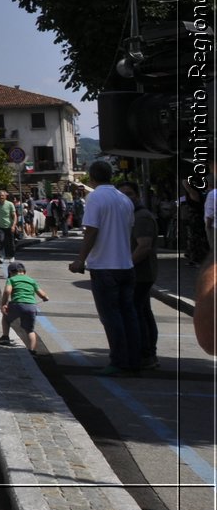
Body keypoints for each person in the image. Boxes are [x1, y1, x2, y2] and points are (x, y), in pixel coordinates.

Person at [68, 160, 140, 376]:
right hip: (126, 265)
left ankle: (118, 361)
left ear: (92, 177)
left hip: (105, 266)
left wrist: (80, 260)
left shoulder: (95, 197)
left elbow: (91, 231)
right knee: (129, 314)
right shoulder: (124, 199)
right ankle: (134, 360)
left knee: (111, 316)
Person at [123, 180, 160, 370]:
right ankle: (148, 354)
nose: (126, 198)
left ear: (137, 195)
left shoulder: (142, 216)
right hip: (139, 272)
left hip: (141, 273)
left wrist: (126, 265)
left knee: (139, 313)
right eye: (122, 194)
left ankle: (146, 354)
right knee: (143, 312)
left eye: (129, 193)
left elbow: (144, 246)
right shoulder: (132, 214)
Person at [0, 261, 48, 352]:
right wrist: (45, 297)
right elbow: (42, 294)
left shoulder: (11, 279)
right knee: (30, 330)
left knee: (6, 318)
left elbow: (7, 291)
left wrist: (3, 304)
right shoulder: (32, 281)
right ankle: (32, 350)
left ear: (10, 272)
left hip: (17, 304)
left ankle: (5, 337)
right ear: (24, 272)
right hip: (31, 307)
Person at [0, 189, 17, 264]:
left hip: (9, 226)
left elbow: (14, 216)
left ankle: (11, 256)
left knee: (10, 242)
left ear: (5, 196)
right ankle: (2, 256)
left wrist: (13, 226)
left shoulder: (10, 204)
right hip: (0, 226)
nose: (1, 197)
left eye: (2, 195)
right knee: (1, 241)